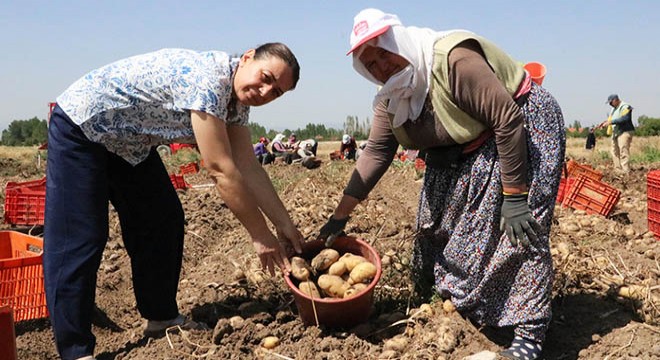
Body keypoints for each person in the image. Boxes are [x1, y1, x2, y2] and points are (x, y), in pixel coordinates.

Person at [318, 9, 565, 360]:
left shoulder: (452, 61)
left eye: (383, 53)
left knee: (516, 229)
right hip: (461, 148)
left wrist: (514, 195)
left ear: (397, 41)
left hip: (520, 128)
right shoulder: (392, 95)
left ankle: (529, 333)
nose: (381, 66)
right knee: (436, 228)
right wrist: (340, 216)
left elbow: (507, 120)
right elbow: (376, 152)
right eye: (370, 63)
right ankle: (464, 308)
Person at [45, 43, 304, 360]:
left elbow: (248, 168)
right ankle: (75, 350)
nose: (263, 91)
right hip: (82, 126)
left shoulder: (236, 104)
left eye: (275, 92)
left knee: (162, 218)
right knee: (81, 236)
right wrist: (261, 237)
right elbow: (221, 170)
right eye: (265, 78)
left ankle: (161, 317)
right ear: (248, 57)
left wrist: (285, 226)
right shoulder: (210, 81)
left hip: (128, 143)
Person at [597, 94, 634, 173]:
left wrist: (611, 122)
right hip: (616, 132)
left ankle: (625, 170)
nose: (610, 105)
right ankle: (617, 169)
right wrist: (605, 123)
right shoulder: (614, 109)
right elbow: (611, 120)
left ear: (616, 100)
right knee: (614, 151)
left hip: (624, 131)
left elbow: (625, 118)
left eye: (611, 102)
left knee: (623, 150)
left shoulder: (625, 106)